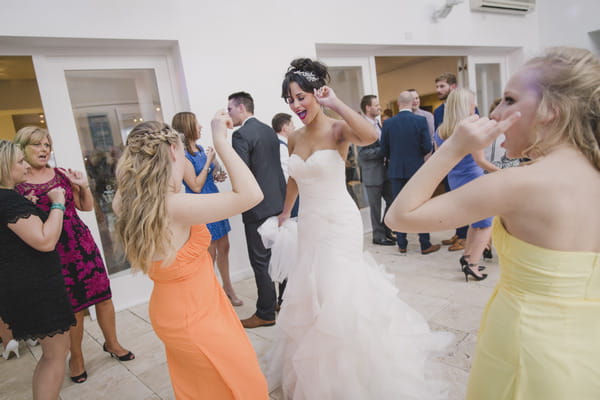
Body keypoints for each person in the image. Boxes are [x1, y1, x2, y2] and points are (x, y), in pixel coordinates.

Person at [385, 47, 600, 400]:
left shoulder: (519, 184)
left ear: (552, 111)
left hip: (529, 348)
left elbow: (399, 217)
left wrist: (454, 145)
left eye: (508, 99)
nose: (495, 112)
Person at [270, 58, 451, 399]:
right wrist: (284, 212)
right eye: (289, 100)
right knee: (311, 289)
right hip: (309, 223)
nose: (296, 106)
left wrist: (335, 102)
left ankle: (355, 372)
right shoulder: (293, 137)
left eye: (301, 97)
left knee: (339, 290)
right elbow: (294, 178)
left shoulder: (337, 129)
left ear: (316, 94)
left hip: (339, 222)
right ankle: (317, 370)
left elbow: (372, 135)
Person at [113, 114, 268, 399]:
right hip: (195, 316)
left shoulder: (127, 202)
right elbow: (252, 194)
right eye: (182, 152)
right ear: (173, 151)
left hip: (174, 309)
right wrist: (221, 141)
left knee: (202, 388)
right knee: (243, 385)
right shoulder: (174, 206)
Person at [14, 127, 134, 384]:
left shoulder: (60, 174)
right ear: (22, 148)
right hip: (54, 253)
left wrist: (83, 186)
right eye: (37, 145)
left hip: (81, 243)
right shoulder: (18, 186)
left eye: (47, 144)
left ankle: (112, 343)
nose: (44, 149)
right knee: (75, 308)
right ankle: (76, 358)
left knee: (103, 298)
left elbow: (85, 206)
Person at [0, 139, 75, 400]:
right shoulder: (8, 201)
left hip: (23, 285)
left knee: (51, 354)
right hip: (36, 288)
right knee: (56, 354)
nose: (25, 165)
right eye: (19, 161)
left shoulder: (10, 199)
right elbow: (45, 241)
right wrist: (57, 202)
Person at [171, 111, 243, 307]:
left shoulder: (202, 149)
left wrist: (217, 170)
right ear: (187, 128)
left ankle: (228, 288)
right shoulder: (183, 156)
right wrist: (209, 162)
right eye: (197, 124)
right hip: (200, 206)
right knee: (209, 253)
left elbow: (211, 174)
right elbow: (194, 186)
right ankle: (211, 294)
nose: (201, 127)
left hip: (214, 200)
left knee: (224, 247)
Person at [228, 92, 287, 328]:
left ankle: (265, 312)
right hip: (278, 202)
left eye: (230, 109)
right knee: (280, 256)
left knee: (261, 262)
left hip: (257, 207)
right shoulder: (268, 130)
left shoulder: (241, 134)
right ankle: (284, 301)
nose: (229, 113)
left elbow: (243, 175)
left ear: (241, 108)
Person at [434, 88, 499, 279]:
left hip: (455, 181)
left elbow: (440, 161)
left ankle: (467, 256)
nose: (475, 105)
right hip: (473, 180)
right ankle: (473, 264)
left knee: (475, 222)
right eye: (473, 102)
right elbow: (481, 161)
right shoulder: (471, 130)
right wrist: (506, 173)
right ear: (466, 106)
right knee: (486, 224)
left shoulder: (441, 130)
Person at [381, 91, 440, 255]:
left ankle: (401, 243)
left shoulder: (388, 123)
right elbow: (427, 147)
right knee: (418, 205)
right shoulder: (420, 120)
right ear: (411, 103)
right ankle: (424, 243)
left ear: (398, 104)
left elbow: (383, 149)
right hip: (416, 170)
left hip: (396, 170)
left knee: (398, 206)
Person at [434, 72, 468, 251]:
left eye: (442, 86)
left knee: (464, 201)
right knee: (453, 202)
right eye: (437, 87)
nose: (438, 90)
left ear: (453, 87)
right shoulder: (439, 111)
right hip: (448, 165)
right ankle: (459, 232)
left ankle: (465, 236)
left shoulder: (467, 108)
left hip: (463, 163)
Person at [358, 95, 395, 246]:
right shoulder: (361, 126)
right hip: (372, 174)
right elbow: (363, 154)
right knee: (375, 208)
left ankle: (386, 230)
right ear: (368, 107)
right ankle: (378, 236)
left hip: (385, 171)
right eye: (376, 105)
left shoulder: (378, 124)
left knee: (392, 201)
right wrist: (384, 150)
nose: (379, 107)